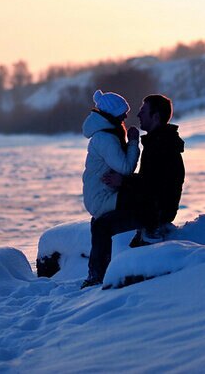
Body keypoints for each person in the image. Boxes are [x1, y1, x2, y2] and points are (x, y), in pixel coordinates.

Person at [82, 94, 185, 289]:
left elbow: (154, 185)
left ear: (155, 117)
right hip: (151, 203)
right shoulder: (157, 141)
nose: (138, 115)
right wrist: (125, 182)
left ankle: (98, 278)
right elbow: (151, 180)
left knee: (102, 225)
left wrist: (123, 181)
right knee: (100, 222)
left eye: (143, 111)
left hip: (156, 208)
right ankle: (101, 274)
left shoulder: (162, 145)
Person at [80, 90, 141, 288]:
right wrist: (133, 142)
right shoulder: (105, 138)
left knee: (102, 225)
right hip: (101, 198)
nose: (125, 117)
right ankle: (98, 275)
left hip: (102, 195)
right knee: (141, 203)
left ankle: (96, 274)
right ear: (113, 115)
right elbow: (125, 167)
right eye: (123, 114)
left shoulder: (106, 135)